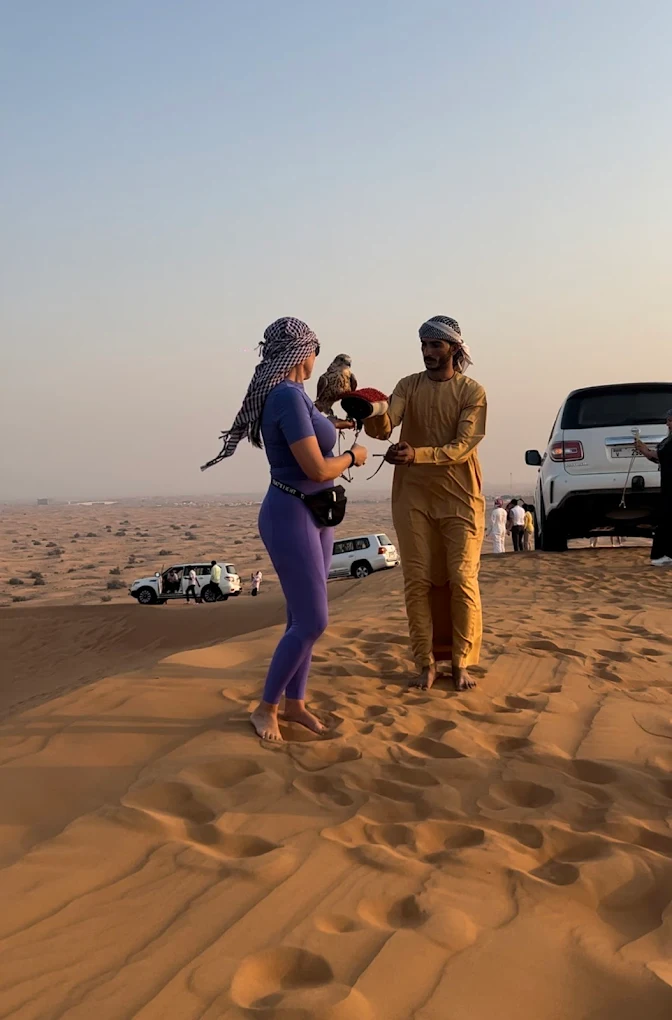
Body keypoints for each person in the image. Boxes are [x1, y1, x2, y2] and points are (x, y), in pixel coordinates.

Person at [205, 317, 367, 741]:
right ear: (302, 352)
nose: (317, 358)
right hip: (291, 513)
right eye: (315, 349)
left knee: (300, 617)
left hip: (316, 515)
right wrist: (354, 457)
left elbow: (313, 438)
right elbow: (317, 469)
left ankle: (295, 704)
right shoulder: (286, 397)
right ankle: (266, 708)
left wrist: (340, 427)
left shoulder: (298, 396)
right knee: (313, 621)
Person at [365, 314, 486, 691]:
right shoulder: (408, 385)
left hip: (460, 497)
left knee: (461, 578)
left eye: (435, 345)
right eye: (423, 345)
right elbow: (386, 425)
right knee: (417, 580)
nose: (428, 352)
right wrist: (371, 412)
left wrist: (416, 454)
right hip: (413, 497)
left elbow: (462, 446)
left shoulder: (472, 392)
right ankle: (426, 662)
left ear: (453, 348)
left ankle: (461, 661)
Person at [635, 410, 672, 566]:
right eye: (667, 420)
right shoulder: (668, 440)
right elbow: (659, 457)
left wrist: (646, 450)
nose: (667, 423)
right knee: (666, 520)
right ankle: (659, 556)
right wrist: (644, 451)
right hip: (668, 486)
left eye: (670, 420)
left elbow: (661, 455)